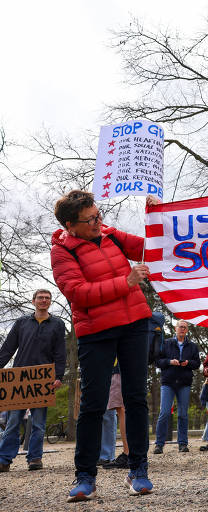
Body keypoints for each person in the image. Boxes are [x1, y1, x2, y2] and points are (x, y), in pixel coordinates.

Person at [51, 190, 156, 500]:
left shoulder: (110, 233)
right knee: (94, 404)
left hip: (135, 323)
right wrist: (125, 283)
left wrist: (156, 216)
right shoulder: (61, 251)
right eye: (90, 220)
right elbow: (78, 292)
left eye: (98, 215)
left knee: (136, 398)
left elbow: (151, 249)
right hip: (96, 331)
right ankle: (85, 476)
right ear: (71, 225)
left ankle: (138, 470)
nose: (98, 222)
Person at [0, 289, 65, 472]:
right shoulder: (21, 323)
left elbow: (60, 352)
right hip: (19, 379)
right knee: (13, 422)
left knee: (38, 423)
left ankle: (35, 458)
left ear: (50, 302)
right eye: (40, 298)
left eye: (47, 298)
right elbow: (8, 347)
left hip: (43, 380)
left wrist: (58, 376)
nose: (43, 301)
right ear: (33, 301)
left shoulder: (58, 324)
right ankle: (4, 460)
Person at [154, 320, 200, 454]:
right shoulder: (166, 343)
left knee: (183, 415)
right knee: (164, 413)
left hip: (184, 383)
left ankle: (183, 444)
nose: (182, 329)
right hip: (168, 382)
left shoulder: (192, 346)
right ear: (175, 328)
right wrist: (170, 362)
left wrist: (188, 363)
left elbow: (197, 363)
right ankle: (159, 444)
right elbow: (158, 362)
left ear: (187, 330)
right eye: (181, 327)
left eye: (185, 328)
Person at [99, 362, 129, 469]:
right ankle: (132, 453)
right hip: (128, 367)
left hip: (119, 369)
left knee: (122, 409)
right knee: (127, 409)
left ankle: (128, 454)